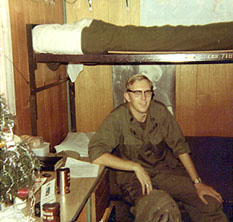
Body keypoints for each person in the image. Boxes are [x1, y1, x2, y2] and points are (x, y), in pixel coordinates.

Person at [88, 74, 228, 222]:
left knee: (209, 202)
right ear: (127, 96)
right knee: (160, 207)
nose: (144, 98)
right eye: (137, 93)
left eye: (147, 92)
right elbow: (96, 154)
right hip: (135, 179)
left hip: (165, 171)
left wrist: (197, 183)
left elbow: (180, 147)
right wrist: (135, 167)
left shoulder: (160, 112)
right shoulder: (117, 118)